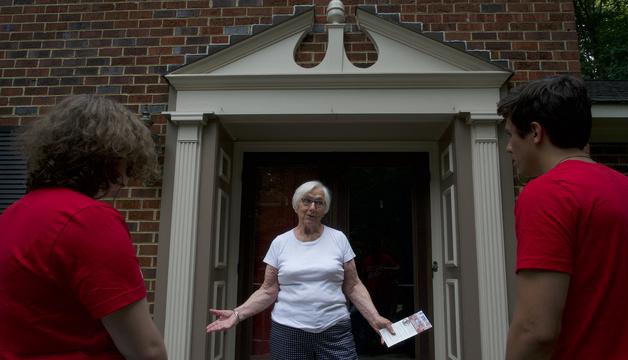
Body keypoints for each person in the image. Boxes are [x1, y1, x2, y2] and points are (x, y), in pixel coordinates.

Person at [0, 95, 167, 359]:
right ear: (105, 157)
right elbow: (147, 350)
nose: (124, 180)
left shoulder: (12, 214)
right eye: (125, 163)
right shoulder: (88, 219)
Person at [499, 75, 628, 360]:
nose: (509, 147)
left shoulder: (548, 193)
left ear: (536, 132)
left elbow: (535, 330)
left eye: (512, 134)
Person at [206, 180, 395, 359]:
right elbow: (268, 290)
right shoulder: (280, 243)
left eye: (319, 203)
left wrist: (374, 318)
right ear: (297, 205)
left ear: (324, 209)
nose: (312, 207)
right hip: (289, 332)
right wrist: (238, 313)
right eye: (307, 201)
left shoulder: (338, 239)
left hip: (334, 329)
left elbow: (353, 285)